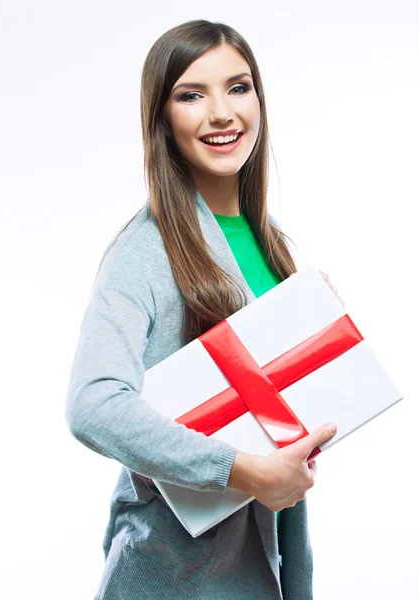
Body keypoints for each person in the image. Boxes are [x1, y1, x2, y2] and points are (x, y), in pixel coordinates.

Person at [65, 19, 340, 600]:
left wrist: (327, 339)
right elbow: (93, 403)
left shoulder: (272, 243)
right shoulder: (147, 248)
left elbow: (275, 414)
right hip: (175, 578)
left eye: (238, 87)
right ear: (162, 119)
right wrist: (243, 471)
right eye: (191, 95)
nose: (222, 113)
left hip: (260, 569)